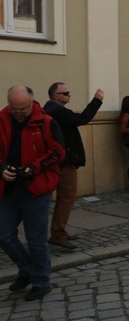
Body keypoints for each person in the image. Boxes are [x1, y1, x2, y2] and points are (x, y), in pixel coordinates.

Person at [0, 86, 65, 301]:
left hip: (35, 188)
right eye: (14, 108)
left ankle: (41, 281)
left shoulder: (46, 122)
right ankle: (27, 270)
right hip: (8, 190)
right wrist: (2, 169)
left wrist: (33, 168)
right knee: (4, 235)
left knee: (36, 239)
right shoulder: (2, 120)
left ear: (32, 102)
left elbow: (57, 152)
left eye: (23, 108)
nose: (18, 112)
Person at [44, 82, 103, 250]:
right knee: (67, 197)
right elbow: (82, 119)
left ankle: (58, 230)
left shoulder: (50, 111)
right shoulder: (59, 112)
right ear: (56, 96)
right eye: (66, 93)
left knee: (60, 197)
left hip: (57, 161)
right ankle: (58, 234)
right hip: (65, 162)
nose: (69, 95)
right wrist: (96, 101)